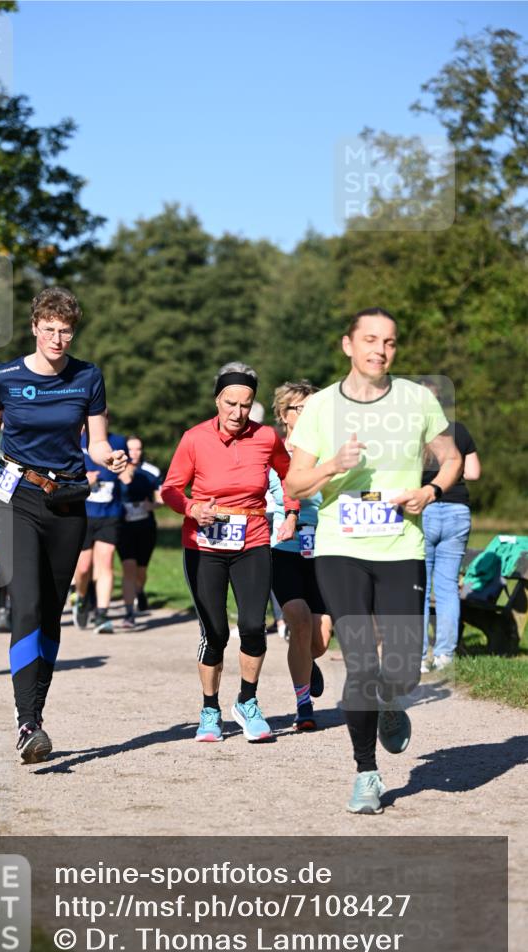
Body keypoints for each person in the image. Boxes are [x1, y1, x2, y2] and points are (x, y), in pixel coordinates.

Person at [286, 309, 462, 814]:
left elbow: (451, 458)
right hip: (341, 548)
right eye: (369, 340)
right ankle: (366, 773)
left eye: (389, 342)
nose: (379, 350)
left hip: (401, 547)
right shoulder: (321, 406)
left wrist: (430, 491)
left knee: (403, 670)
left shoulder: (417, 399)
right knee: (361, 662)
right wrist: (332, 465)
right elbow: (295, 482)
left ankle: (391, 698)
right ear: (348, 345)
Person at [0, 287, 126, 764]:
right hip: (15, 496)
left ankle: (34, 713)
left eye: (66, 331)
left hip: (67, 499)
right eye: (50, 329)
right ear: (35, 328)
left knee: (52, 610)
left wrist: (110, 457)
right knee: (27, 604)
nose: (57, 339)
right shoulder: (5, 376)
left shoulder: (87, 376)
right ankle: (26, 723)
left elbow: (95, 441)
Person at [162, 361, 299, 743]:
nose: (237, 412)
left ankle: (247, 702)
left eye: (245, 405)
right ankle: (210, 710)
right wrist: (191, 507)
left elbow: (289, 475)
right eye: (230, 403)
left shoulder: (266, 437)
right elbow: (170, 488)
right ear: (217, 400)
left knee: (254, 626)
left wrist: (291, 512)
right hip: (203, 545)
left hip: (252, 540)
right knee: (215, 632)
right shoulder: (194, 438)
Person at [269, 380, 333, 731]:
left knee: (320, 639)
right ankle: (303, 704)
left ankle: (308, 661)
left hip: (323, 550)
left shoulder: (328, 453)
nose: (309, 415)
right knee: (300, 620)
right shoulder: (271, 452)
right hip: (282, 548)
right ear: (284, 414)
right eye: (301, 409)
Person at [419, 380, 481, 670]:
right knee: (446, 587)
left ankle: (419, 657)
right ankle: (445, 655)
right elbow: (473, 472)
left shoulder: (411, 433)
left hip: (424, 510)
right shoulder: (458, 430)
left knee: (418, 587)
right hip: (458, 512)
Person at [73, 425, 128, 634]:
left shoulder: (119, 441)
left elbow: (127, 468)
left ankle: (102, 615)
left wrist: (126, 471)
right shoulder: (75, 439)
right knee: (83, 567)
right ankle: (81, 597)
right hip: (83, 512)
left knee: (106, 562)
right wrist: (84, 479)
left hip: (109, 513)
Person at [117, 435, 162, 627]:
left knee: (141, 570)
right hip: (123, 526)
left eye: (138, 449)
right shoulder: (115, 470)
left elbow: (161, 499)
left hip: (145, 526)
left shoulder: (151, 471)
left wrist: (151, 505)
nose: (134, 453)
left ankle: (139, 590)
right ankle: (129, 613)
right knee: (129, 567)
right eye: (131, 449)